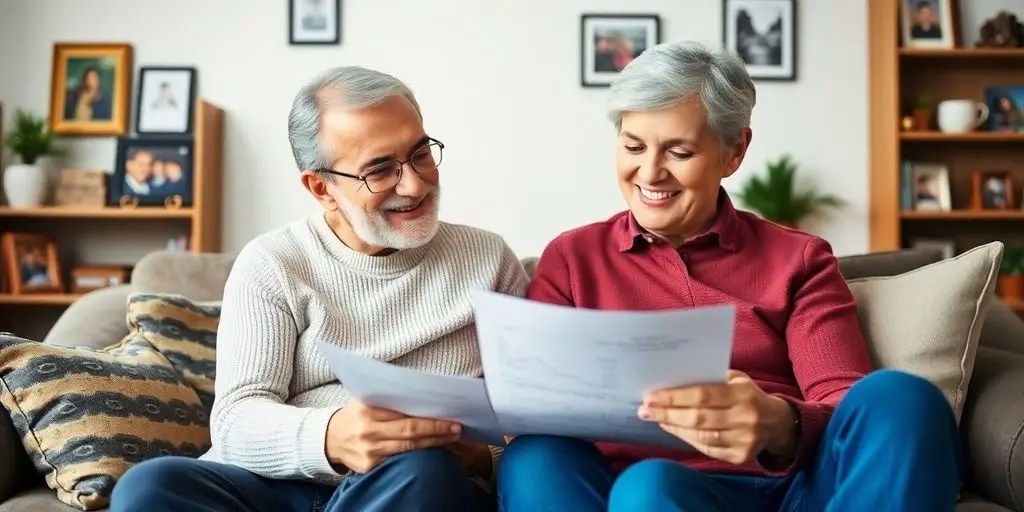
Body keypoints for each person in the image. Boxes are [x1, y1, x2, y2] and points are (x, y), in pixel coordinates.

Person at [496, 41, 963, 511]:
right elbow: (535, 402)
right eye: (633, 146)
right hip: (631, 492)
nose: (650, 173)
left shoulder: (799, 259)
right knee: (549, 460)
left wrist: (779, 424)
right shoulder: (572, 259)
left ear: (734, 151)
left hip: (785, 491)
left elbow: (845, 404)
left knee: (902, 397)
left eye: (678, 151)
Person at [110, 66, 529, 511]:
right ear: (321, 187)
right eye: (380, 170)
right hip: (276, 488)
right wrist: (331, 436)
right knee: (150, 486)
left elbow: (531, 414)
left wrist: (483, 456)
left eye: (420, 152)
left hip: (411, 485)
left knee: (423, 472)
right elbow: (235, 420)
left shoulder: (488, 259)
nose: (415, 183)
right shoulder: (273, 263)